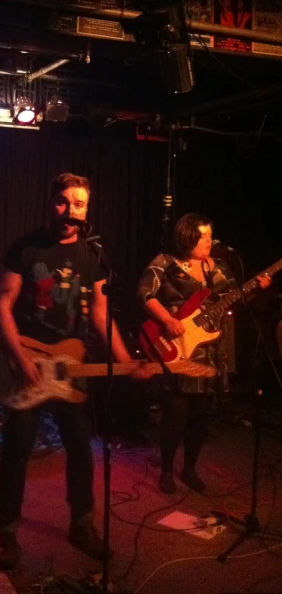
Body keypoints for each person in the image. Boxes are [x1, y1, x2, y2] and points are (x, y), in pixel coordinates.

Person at [0, 172, 151, 570]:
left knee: (82, 448)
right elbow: (2, 307)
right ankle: (7, 533)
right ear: (51, 202)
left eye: (79, 204)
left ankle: (82, 524)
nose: (70, 210)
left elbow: (101, 315)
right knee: (18, 450)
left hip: (71, 362)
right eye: (64, 201)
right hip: (26, 358)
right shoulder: (25, 249)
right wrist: (20, 359)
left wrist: (126, 360)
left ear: (86, 210)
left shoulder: (92, 256)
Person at [136, 212, 271, 495]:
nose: (209, 241)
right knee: (176, 410)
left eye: (210, 235)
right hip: (177, 345)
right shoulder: (166, 263)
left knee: (201, 414)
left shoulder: (217, 267)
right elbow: (144, 293)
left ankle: (190, 468)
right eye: (202, 236)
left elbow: (237, 296)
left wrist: (256, 289)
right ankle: (166, 470)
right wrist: (168, 320)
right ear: (187, 236)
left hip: (209, 350)